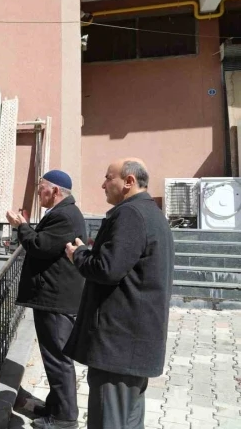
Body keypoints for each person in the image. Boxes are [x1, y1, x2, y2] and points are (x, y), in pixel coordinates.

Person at [64, 159, 174, 429]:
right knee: (128, 420)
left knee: (108, 420)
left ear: (128, 182)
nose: (103, 184)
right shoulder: (149, 213)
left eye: (108, 177)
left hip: (118, 345)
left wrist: (78, 255)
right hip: (133, 343)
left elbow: (106, 269)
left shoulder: (131, 214)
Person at [6, 170, 86, 429]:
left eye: (41, 188)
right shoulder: (61, 213)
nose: (38, 192)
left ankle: (64, 418)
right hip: (53, 296)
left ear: (55, 191)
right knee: (54, 357)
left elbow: (39, 246)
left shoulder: (65, 215)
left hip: (56, 298)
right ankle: (56, 405)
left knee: (58, 359)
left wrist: (22, 227)